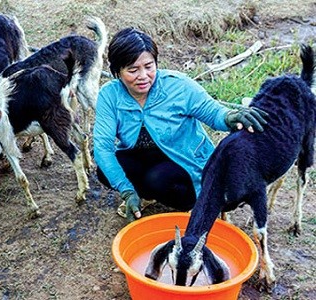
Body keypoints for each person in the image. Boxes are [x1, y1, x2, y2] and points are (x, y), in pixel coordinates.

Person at [93, 28, 268, 222]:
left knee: (157, 180)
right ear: (117, 71)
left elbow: (212, 111)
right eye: (133, 70)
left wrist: (229, 117)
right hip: (142, 155)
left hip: (183, 159)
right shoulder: (110, 95)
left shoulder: (177, 86)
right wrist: (126, 190)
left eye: (149, 66)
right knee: (104, 170)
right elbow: (103, 147)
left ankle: (190, 202)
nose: (143, 76)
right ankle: (142, 196)